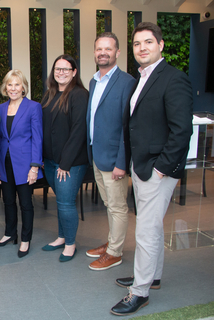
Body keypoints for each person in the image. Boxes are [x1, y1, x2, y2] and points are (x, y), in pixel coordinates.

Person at [110, 22, 193, 316]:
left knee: (145, 230)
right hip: (141, 164)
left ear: (160, 45)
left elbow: (182, 130)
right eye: (136, 44)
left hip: (157, 169)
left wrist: (161, 169)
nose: (142, 48)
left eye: (148, 42)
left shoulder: (174, 79)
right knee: (151, 225)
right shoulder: (140, 78)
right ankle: (152, 277)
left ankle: (139, 292)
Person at [85, 32, 136, 271]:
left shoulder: (127, 83)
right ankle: (111, 243)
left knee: (117, 206)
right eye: (99, 49)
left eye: (108, 49)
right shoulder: (94, 81)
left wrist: (122, 162)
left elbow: (128, 127)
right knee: (109, 205)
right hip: (97, 155)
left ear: (117, 52)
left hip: (115, 159)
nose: (103, 53)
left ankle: (115, 252)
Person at [41, 54, 89, 262]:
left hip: (70, 164)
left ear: (74, 72)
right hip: (50, 162)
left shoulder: (79, 95)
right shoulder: (49, 94)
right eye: (57, 69)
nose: (61, 73)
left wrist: (65, 163)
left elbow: (79, 131)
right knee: (61, 201)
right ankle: (61, 237)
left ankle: (70, 244)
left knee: (66, 203)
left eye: (66, 69)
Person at [0, 69, 43, 258]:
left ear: (24, 87)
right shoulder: (0, 108)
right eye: (9, 84)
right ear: (6, 87)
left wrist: (35, 166)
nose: (13, 88)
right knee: (8, 201)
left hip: (25, 163)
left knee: (26, 204)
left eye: (17, 84)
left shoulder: (33, 107)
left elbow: (38, 138)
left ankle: (25, 239)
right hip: (5, 162)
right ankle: (9, 233)